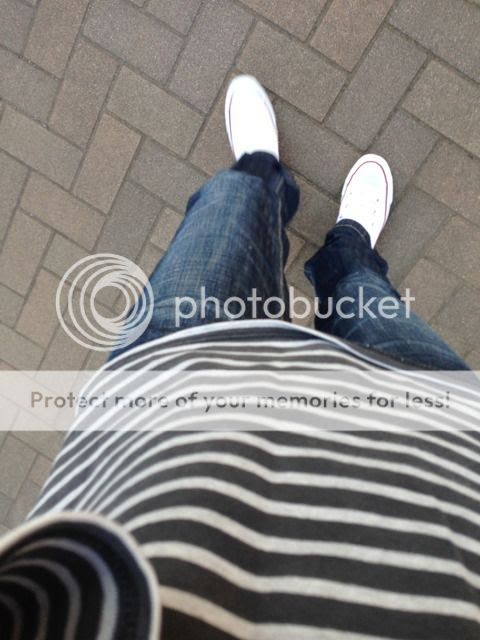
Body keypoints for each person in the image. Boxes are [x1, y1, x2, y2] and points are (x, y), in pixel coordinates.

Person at [0, 75, 478, 640]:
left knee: (225, 219)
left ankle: (260, 175)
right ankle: (348, 246)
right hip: (430, 447)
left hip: (165, 421)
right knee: (365, 298)